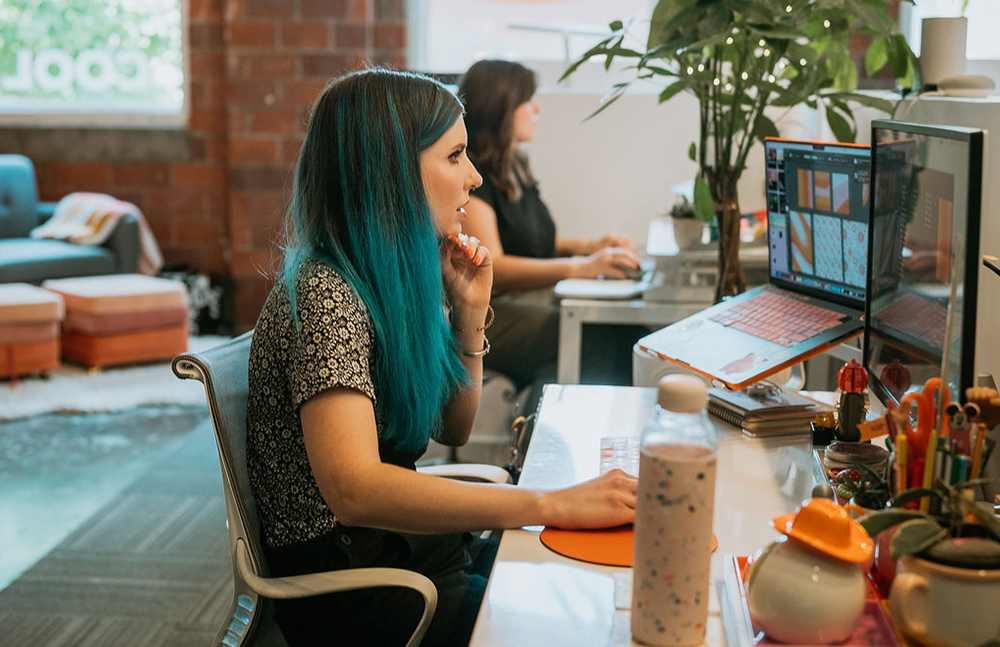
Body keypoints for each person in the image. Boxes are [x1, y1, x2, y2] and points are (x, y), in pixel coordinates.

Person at [245, 68, 636, 647]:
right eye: (455, 156)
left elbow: (453, 426)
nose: (474, 177)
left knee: (580, 591)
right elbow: (354, 490)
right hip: (362, 588)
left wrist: (469, 314)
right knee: (574, 621)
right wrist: (548, 502)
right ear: (392, 171)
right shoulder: (325, 292)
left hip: (406, 552)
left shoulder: (388, 278)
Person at [459, 59, 645, 391]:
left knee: (631, 331)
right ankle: (544, 432)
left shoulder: (513, 165)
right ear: (502, 109)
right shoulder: (474, 176)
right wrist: (579, 267)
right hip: (491, 312)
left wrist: (591, 247)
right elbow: (494, 268)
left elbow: (533, 240)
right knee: (594, 338)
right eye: (527, 102)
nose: (537, 109)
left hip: (530, 298)